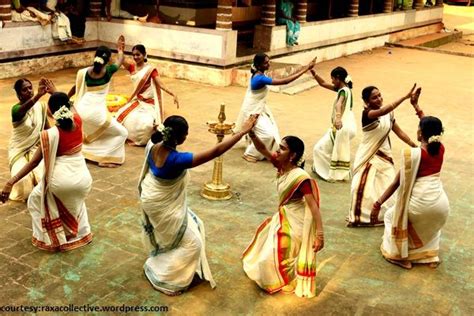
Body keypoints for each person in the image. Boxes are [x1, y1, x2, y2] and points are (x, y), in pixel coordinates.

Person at [138, 114, 258, 295]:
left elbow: (156, 137)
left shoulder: (152, 146)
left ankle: (166, 263)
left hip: (152, 199)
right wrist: (243, 131)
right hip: (161, 205)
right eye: (186, 134)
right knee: (193, 244)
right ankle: (167, 278)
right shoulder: (177, 160)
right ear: (179, 137)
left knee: (196, 223)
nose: (187, 137)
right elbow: (215, 152)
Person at [1, 92, 93, 252]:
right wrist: (55, 93)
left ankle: (52, 240)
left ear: (50, 110)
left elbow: (34, 162)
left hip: (61, 183)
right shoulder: (78, 121)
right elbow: (71, 106)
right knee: (77, 202)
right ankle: (81, 235)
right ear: (67, 107)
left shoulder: (49, 135)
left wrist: (10, 182)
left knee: (36, 200)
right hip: (84, 180)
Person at [242, 132, 324, 298]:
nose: (277, 151)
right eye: (279, 148)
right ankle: (286, 275)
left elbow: (313, 207)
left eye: (282, 149)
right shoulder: (280, 164)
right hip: (284, 215)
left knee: (270, 258)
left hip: (297, 221)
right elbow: (262, 148)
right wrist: (251, 133)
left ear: (292, 155)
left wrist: (320, 235)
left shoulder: (301, 178)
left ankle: (290, 277)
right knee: (262, 258)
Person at [376, 91, 449, 269]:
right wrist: (416, 107)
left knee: (389, 216)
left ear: (420, 133)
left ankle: (399, 256)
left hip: (421, 206)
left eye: (419, 128)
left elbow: (395, 183)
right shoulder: (440, 149)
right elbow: (431, 128)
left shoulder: (413, 155)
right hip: (441, 206)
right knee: (430, 226)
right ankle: (428, 256)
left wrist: (378, 203)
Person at [347, 84, 418, 227]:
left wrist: (414, 145)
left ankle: (382, 215)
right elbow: (385, 110)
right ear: (367, 102)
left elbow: (399, 131)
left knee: (387, 183)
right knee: (362, 187)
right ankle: (360, 217)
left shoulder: (389, 115)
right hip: (368, 154)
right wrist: (404, 97)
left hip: (384, 155)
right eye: (374, 97)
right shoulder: (367, 114)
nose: (379, 99)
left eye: (380, 95)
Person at [235, 53, 316, 162]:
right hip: (252, 110)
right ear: (259, 65)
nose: (269, 64)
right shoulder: (259, 78)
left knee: (271, 132)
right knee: (267, 135)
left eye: (269, 61)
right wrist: (305, 68)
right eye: (266, 63)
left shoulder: (260, 74)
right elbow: (285, 81)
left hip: (259, 108)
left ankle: (259, 150)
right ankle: (250, 153)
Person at [69, 36, 128, 167]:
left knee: (99, 132)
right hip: (96, 113)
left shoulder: (84, 72)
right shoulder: (108, 71)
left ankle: (86, 152)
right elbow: (120, 60)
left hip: (81, 109)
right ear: (107, 60)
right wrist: (120, 49)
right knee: (122, 133)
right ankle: (103, 159)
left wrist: (66, 99)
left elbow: (75, 88)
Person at [117, 44, 179, 146]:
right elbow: (121, 60)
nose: (136, 57)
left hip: (149, 103)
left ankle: (141, 140)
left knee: (145, 124)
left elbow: (160, 84)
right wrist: (120, 50)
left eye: (138, 54)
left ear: (144, 55)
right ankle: (127, 137)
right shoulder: (132, 67)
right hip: (137, 101)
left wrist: (173, 93)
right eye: (134, 55)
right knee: (122, 116)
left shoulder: (150, 70)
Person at [8, 78, 53, 202]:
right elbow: (25, 108)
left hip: (35, 148)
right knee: (22, 186)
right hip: (18, 150)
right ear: (18, 95)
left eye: (30, 88)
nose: (28, 91)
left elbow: (47, 130)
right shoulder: (16, 110)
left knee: (44, 178)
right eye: (24, 90)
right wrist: (38, 95)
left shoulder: (41, 107)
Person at [311, 66, 356, 182]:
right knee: (330, 149)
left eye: (333, 79)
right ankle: (332, 170)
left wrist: (338, 118)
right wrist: (314, 73)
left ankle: (328, 172)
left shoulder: (342, 91)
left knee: (318, 149)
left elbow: (339, 104)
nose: (331, 81)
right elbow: (323, 84)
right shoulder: (345, 89)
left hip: (342, 127)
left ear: (338, 78)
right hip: (349, 127)